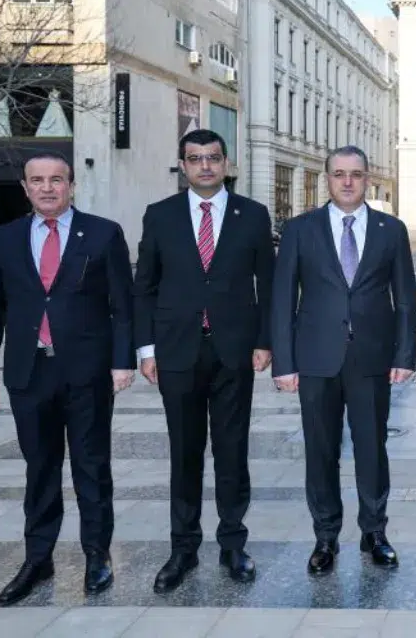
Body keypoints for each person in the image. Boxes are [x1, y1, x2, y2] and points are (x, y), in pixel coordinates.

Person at [0, 154, 135, 606]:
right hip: (29, 372)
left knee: (91, 465)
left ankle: (97, 554)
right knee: (39, 468)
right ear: (25, 188)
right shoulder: (5, 239)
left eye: (56, 180)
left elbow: (123, 306)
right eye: (38, 181)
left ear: (71, 185)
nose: (48, 188)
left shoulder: (103, 233)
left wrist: (122, 361)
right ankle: (38, 559)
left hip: (86, 371)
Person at [132, 129, 275, 593]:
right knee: (184, 453)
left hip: (233, 351)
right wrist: (146, 349)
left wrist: (265, 340)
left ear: (226, 162)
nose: (205, 167)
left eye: (213, 158)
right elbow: (145, 288)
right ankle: (183, 549)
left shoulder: (252, 215)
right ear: (183, 165)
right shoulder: (160, 216)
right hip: (177, 353)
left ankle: (233, 544)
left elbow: (267, 287)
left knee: (232, 452)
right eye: (195, 159)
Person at [271, 145, 416, 575]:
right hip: (316, 358)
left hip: (372, 358)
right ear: (327, 178)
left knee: (373, 449)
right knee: (321, 451)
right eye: (339, 174)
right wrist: (284, 361)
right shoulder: (300, 230)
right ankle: (326, 538)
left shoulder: (392, 230)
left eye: (355, 173)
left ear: (367, 178)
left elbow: (405, 297)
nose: (347, 182)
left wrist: (404, 354)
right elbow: (283, 300)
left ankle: (374, 533)